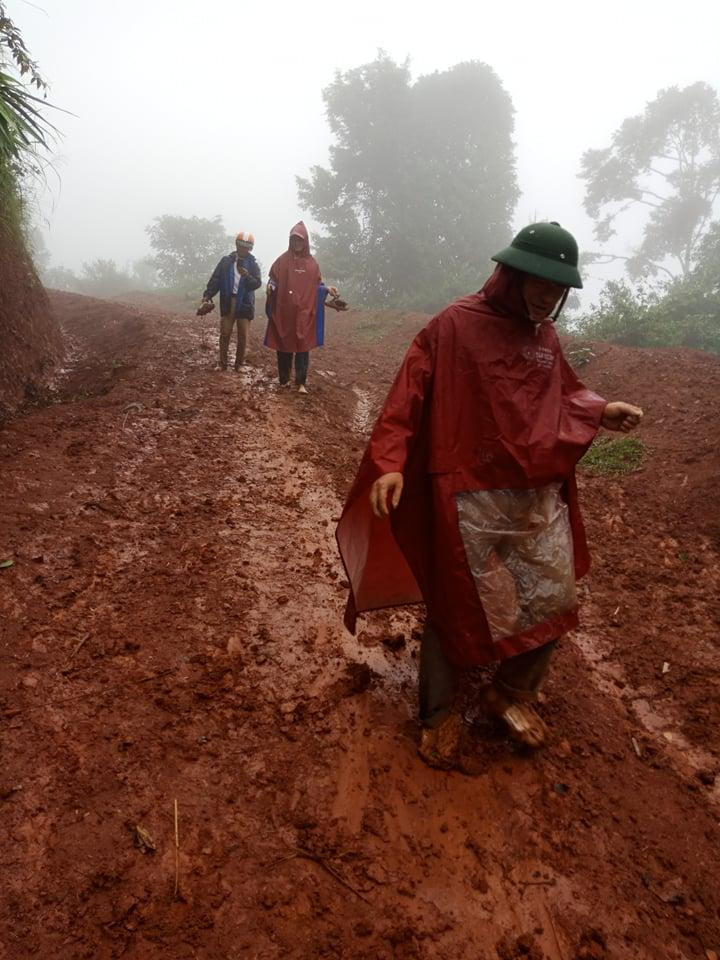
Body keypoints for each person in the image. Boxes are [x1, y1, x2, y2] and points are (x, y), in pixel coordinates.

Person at [335, 222, 643, 772]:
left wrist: (600, 409)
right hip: (465, 494)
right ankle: (435, 715)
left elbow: (564, 393)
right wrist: (389, 464)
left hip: (531, 495)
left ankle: (508, 691)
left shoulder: (545, 338)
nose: (549, 294)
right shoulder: (454, 326)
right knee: (456, 603)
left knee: (551, 595)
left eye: (559, 286)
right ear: (514, 273)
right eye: (540, 281)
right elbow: (407, 397)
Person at [264, 221, 341, 394]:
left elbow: (317, 286)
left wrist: (327, 289)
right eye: (294, 240)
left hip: (304, 313)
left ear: (305, 241)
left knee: (302, 347)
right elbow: (273, 280)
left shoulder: (312, 264)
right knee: (283, 345)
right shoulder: (281, 261)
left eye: (300, 240)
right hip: (285, 311)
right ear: (290, 241)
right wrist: (270, 287)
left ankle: (301, 382)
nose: (297, 243)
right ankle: (283, 379)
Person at [199, 232, 262, 371]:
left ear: (250, 248)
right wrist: (208, 295)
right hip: (229, 300)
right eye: (241, 246)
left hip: (245, 303)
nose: (243, 249)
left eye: (247, 247)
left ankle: (239, 364)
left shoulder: (252, 264)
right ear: (236, 245)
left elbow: (257, 283)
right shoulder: (226, 261)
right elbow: (216, 280)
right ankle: (222, 363)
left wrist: (247, 276)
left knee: (243, 335)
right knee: (225, 332)